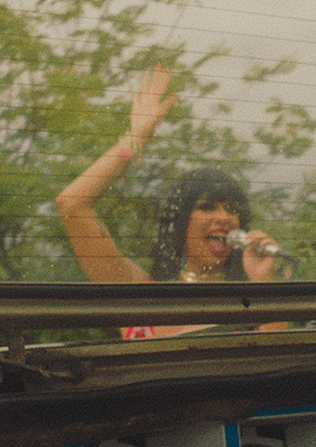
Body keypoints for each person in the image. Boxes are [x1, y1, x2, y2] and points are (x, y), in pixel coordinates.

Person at [54, 67, 282, 339]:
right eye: (207, 207)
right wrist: (136, 139)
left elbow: (278, 357)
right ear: (181, 222)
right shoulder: (139, 294)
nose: (225, 218)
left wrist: (262, 283)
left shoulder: (250, 305)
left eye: (232, 210)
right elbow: (71, 205)